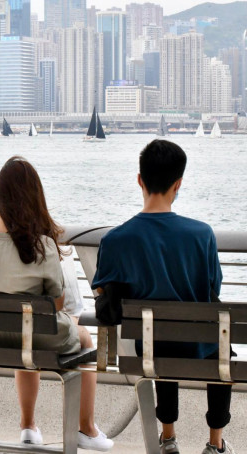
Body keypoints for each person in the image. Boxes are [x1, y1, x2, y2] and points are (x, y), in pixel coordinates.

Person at [0, 156, 113, 451]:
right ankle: (87, 428)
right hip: (35, 333)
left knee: (24, 333)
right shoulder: (42, 245)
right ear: (34, 197)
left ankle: (28, 426)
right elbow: (56, 305)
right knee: (81, 337)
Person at [91, 139, 231, 454]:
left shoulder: (115, 240)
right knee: (220, 345)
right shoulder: (202, 234)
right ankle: (215, 443)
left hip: (152, 347)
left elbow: (104, 292)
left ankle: (168, 437)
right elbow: (214, 289)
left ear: (140, 180)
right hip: (199, 347)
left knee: (158, 337)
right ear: (178, 184)